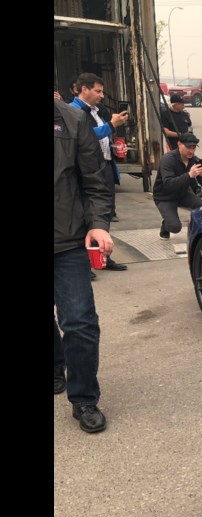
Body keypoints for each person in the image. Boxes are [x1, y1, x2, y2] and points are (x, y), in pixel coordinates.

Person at [54, 98, 115, 433]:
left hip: (67, 240)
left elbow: (94, 181)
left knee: (78, 322)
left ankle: (83, 398)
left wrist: (98, 224)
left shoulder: (74, 120)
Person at [70, 72, 129, 271]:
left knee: (104, 213)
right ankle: (85, 261)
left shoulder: (97, 110)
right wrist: (111, 126)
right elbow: (85, 136)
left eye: (102, 91)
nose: (101, 95)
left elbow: (101, 137)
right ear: (83, 89)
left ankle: (103, 256)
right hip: (85, 171)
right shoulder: (72, 112)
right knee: (85, 214)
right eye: (98, 91)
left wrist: (114, 146)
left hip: (104, 166)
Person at [152, 132, 202, 239]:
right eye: (188, 147)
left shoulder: (194, 160)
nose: (191, 151)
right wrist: (189, 175)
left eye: (193, 148)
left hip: (183, 193)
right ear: (179, 144)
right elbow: (168, 184)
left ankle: (196, 233)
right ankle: (166, 224)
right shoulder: (168, 159)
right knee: (175, 227)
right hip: (165, 196)